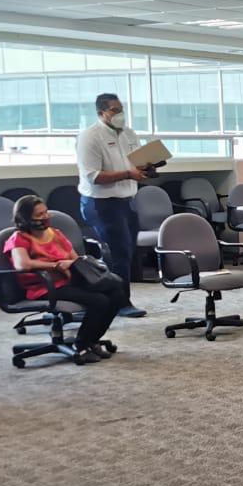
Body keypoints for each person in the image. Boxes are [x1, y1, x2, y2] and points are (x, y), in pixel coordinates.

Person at [4, 195, 127, 365]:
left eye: (46, 212)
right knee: (99, 301)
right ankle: (82, 344)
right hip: (45, 286)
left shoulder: (56, 234)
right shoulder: (19, 238)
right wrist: (54, 266)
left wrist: (70, 264)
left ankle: (92, 340)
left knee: (117, 293)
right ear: (25, 218)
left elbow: (75, 259)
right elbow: (22, 264)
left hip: (70, 280)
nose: (45, 217)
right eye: (39, 215)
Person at [76, 92, 150, 318]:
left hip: (127, 200)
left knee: (127, 251)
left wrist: (147, 168)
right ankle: (120, 303)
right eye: (115, 110)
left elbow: (137, 163)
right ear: (101, 113)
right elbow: (93, 176)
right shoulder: (90, 137)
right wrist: (128, 173)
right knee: (120, 252)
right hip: (101, 203)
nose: (120, 114)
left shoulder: (129, 133)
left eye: (121, 110)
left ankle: (111, 297)